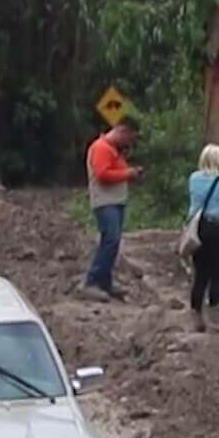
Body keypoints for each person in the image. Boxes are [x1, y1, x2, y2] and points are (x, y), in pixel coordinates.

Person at [82, 118, 141, 302]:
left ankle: (105, 282)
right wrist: (128, 174)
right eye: (129, 139)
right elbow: (102, 174)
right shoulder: (101, 148)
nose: (130, 144)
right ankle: (91, 282)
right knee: (110, 240)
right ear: (122, 131)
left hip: (115, 201)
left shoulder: (114, 150)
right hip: (105, 202)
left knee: (113, 243)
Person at [184, 144, 219, 333]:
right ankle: (215, 317)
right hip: (218, 230)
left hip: (199, 227)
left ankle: (196, 314)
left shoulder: (193, 178)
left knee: (200, 273)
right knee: (217, 272)